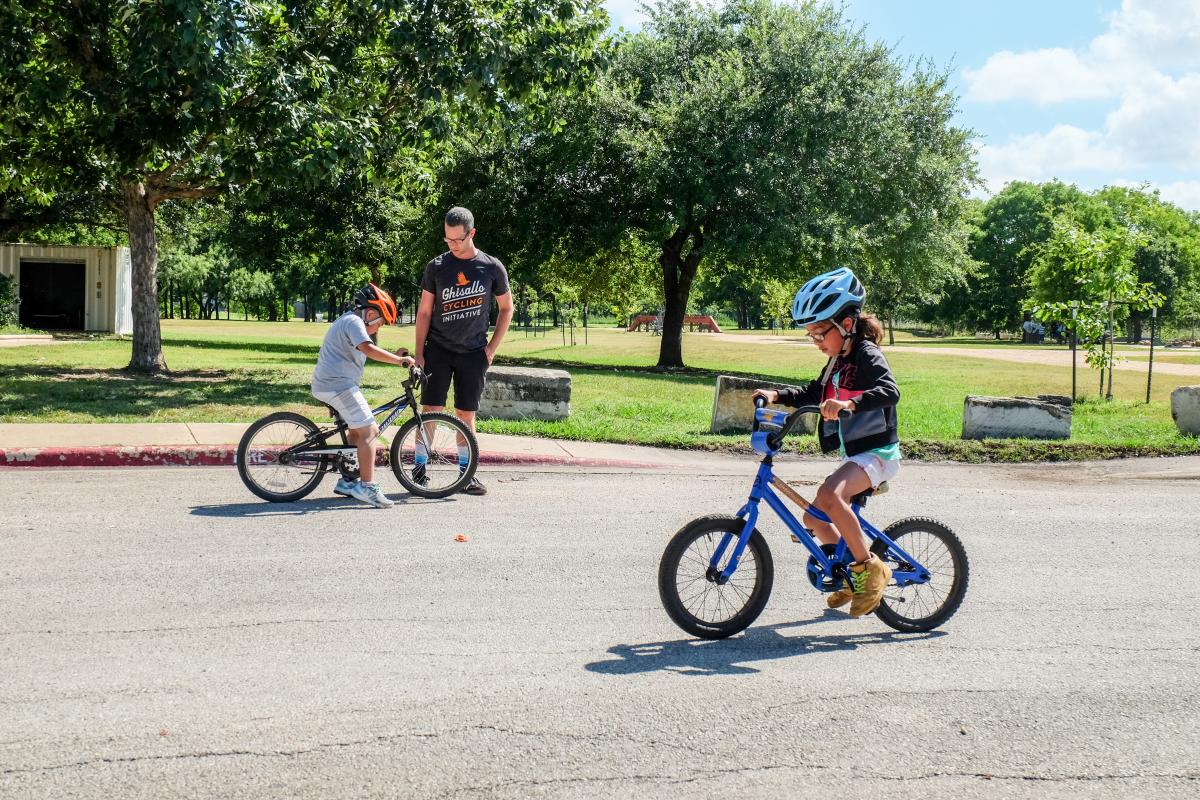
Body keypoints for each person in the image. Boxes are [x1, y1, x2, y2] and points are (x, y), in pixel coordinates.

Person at [752, 267, 900, 618]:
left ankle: (870, 569)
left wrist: (850, 403)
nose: (817, 341)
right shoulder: (837, 360)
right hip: (858, 454)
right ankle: (848, 576)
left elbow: (890, 391)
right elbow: (814, 392)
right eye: (812, 335)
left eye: (820, 333)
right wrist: (776, 394)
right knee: (814, 515)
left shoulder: (866, 353)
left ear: (846, 325)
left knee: (832, 495)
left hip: (878, 453)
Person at [412, 206, 514, 496]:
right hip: (439, 350)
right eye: (448, 240)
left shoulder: (491, 267)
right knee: (431, 410)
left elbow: (507, 309)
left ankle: (466, 475)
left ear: (472, 233)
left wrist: (491, 349)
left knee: (465, 415)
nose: (453, 245)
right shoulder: (437, 266)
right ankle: (419, 470)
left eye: (458, 239)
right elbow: (424, 312)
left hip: (473, 353)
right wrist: (420, 353)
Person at [311, 282, 414, 509]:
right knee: (370, 431)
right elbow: (368, 349)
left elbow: (367, 351)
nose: (378, 329)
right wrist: (399, 360)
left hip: (333, 384)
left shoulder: (350, 321)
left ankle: (349, 481)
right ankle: (368, 487)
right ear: (369, 313)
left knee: (357, 433)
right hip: (337, 386)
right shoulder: (354, 322)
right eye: (380, 323)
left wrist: (394, 355)